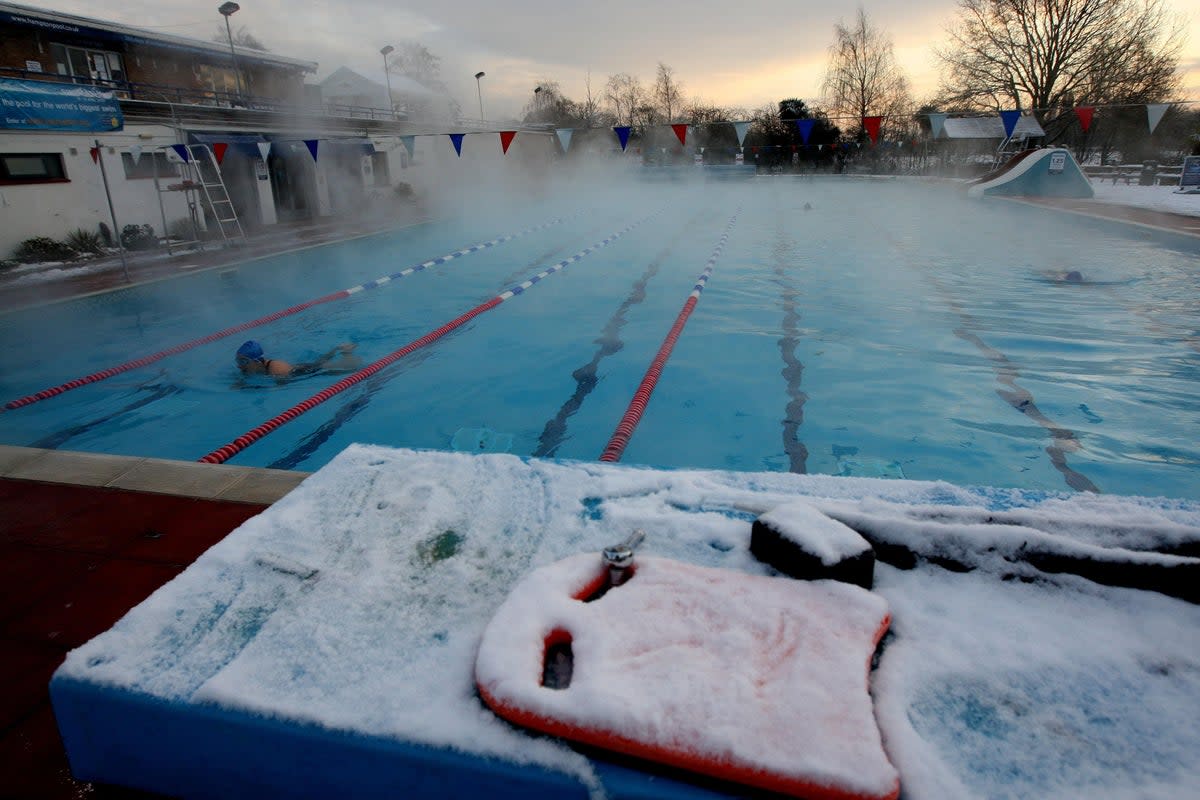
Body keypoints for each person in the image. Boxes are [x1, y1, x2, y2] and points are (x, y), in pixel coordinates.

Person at [235, 340, 361, 379]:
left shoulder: (277, 369)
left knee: (350, 367)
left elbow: (281, 385)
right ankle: (337, 348)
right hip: (300, 367)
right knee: (320, 361)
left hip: (307, 371)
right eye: (238, 361)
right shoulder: (255, 367)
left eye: (243, 361)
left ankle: (346, 352)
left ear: (256, 361)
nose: (239, 366)